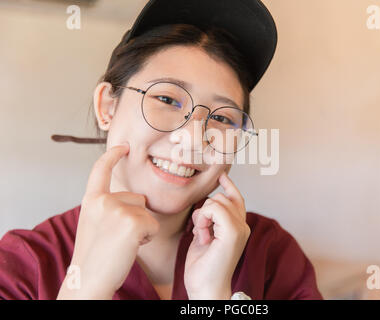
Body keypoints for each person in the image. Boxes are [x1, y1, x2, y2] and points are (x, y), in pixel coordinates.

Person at [0, 0, 323, 300]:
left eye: (222, 118)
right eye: (167, 99)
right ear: (107, 106)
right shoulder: (21, 266)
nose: (195, 138)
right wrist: (86, 288)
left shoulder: (270, 254)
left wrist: (212, 297)